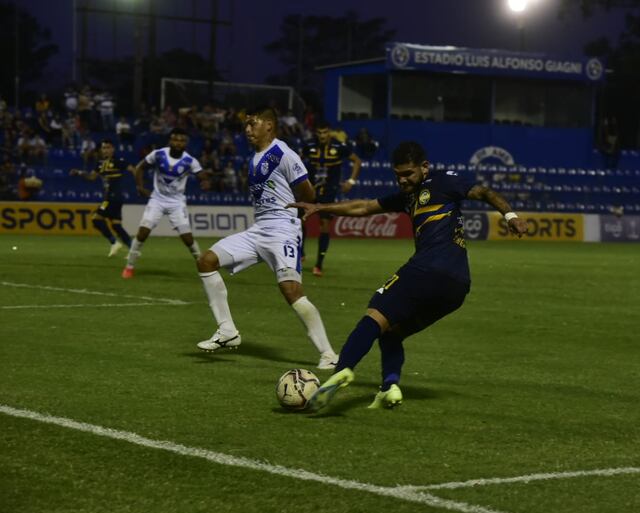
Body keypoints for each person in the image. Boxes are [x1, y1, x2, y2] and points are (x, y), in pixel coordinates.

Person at [288, 141, 528, 411]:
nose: (402, 180)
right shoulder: (407, 196)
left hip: (427, 271)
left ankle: (341, 371)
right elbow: (364, 207)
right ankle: (390, 387)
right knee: (392, 334)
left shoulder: (444, 182)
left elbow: (483, 191)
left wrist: (510, 215)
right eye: (398, 175)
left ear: (424, 168)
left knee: (375, 315)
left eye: (408, 174)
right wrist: (321, 208)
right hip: (457, 288)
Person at [195, 109, 338, 370]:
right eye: (246, 124)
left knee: (291, 291)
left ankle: (329, 354)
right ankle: (227, 330)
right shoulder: (254, 158)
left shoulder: (282, 153)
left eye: (253, 123)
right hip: (259, 230)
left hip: (283, 230)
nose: (247, 128)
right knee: (206, 261)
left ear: (269, 125)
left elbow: (307, 189)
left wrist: (299, 208)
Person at [122, 128, 203, 279]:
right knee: (143, 232)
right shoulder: (158, 154)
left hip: (177, 203)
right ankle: (129, 267)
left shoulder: (190, 161)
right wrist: (140, 187)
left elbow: (202, 175)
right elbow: (140, 167)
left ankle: (203, 265)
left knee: (188, 239)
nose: (178, 143)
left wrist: (205, 181)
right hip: (157, 200)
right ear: (170, 141)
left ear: (186, 143)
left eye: (182, 140)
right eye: (175, 139)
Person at [301, 120, 362, 276]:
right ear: (316, 133)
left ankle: (319, 265)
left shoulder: (339, 147)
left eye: (325, 132)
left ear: (329, 133)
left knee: (324, 224)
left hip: (329, 192)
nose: (322, 136)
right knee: (299, 219)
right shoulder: (309, 145)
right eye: (320, 133)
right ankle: (300, 252)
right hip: (310, 189)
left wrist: (351, 181)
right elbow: (296, 161)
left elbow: (357, 161)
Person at [70, 140, 133, 256]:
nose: (106, 150)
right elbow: (91, 177)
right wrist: (79, 172)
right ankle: (132, 248)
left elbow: (134, 170)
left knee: (96, 218)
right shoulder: (100, 164)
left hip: (113, 197)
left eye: (108, 148)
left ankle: (114, 242)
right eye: (104, 148)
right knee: (116, 225)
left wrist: (138, 184)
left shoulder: (119, 161)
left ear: (113, 149)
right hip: (109, 198)